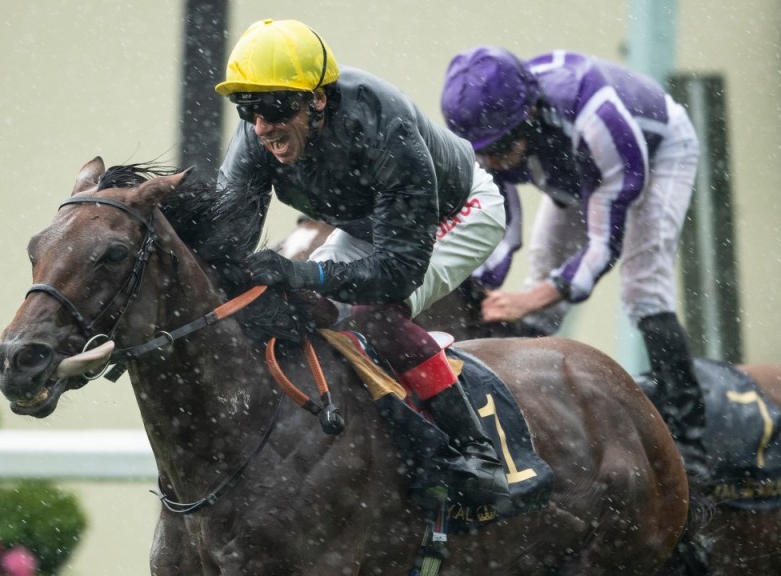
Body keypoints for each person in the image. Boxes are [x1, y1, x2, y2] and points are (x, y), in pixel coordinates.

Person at [214, 19, 510, 508]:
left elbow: (396, 273)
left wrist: (304, 271)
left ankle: (477, 450)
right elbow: (223, 249)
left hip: (457, 210)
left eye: (274, 107)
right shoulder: (256, 138)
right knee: (296, 308)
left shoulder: (381, 121)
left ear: (317, 100)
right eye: (249, 109)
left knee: (375, 313)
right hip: (370, 223)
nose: (261, 126)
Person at [440, 46, 710, 487]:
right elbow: (498, 231)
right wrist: (479, 287)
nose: (492, 162)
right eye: (481, 152)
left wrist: (533, 298)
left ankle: (692, 447)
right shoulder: (499, 132)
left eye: (500, 148)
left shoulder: (597, 116)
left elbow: (604, 246)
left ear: (529, 113)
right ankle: (524, 409)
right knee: (539, 275)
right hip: (570, 162)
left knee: (643, 287)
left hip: (649, 155)